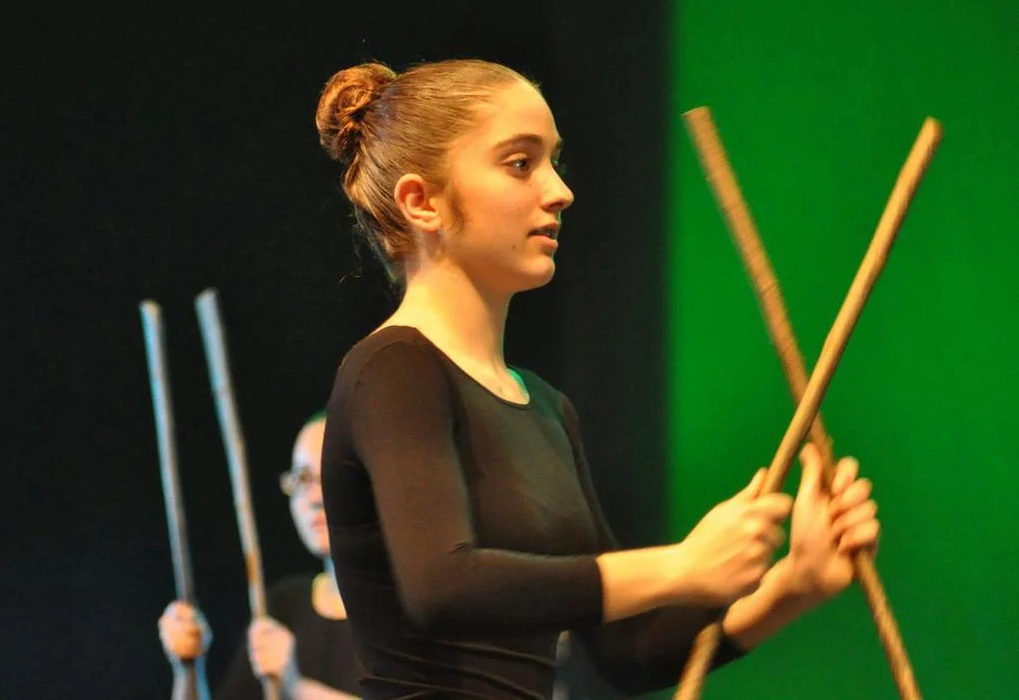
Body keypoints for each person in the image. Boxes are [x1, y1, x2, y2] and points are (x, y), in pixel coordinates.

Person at [314, 59, 881, 699]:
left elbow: (623, 653)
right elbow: (444, 587)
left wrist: (792, 585)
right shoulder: (394, 369)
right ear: (422, 202)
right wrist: (681, 565)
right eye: (520, 163)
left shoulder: (547, 409)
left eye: (554, 162)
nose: (560, 191)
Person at [158, 412, 361, 699]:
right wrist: (188, 668)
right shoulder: (283, 607)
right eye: (302, 478)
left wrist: (295, 688)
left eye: (331, 475)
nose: (315, 498)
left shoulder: (408, 608)